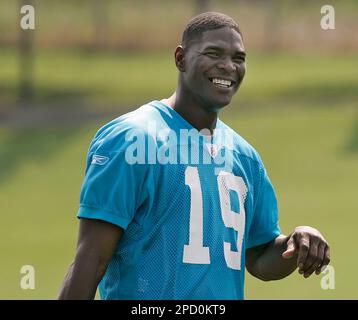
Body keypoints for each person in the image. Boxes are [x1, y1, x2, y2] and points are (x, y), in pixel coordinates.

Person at [58, 12, 330, 300]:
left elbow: (260, 256)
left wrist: (295, 243)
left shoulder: (244, 157)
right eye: (214, 54)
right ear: (181, 59)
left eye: (238, 58)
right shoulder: (130, 141)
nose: (228, 66)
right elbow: (91, 260)